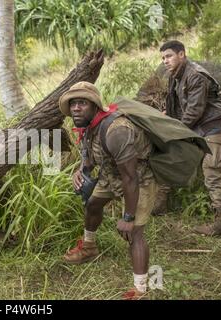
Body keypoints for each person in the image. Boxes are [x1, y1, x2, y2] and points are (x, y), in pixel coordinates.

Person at [59, 82, 157, 300]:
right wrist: (80, 171)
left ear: (95, 106)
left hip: (139, 180)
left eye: (82, 103)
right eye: (73, 103)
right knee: (93, 205)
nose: (75, 108)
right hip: (111, 176)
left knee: (134, 233)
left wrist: (128, 217)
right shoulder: (88, 127)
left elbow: (130, 177)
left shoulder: (117, 130)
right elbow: (89, 157)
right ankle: (89, 247)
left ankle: (140, 289)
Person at [155, 40, 221, 236]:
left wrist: (173, 129)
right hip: (196, 130)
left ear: (182, 54)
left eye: (169, 56)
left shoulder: (195, 75)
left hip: (212, 128)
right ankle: (160, 204)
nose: (165, 61)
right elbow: (179, 108)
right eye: (163, 58)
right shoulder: (176, 77)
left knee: (212, 172)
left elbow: (194, 112)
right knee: (170, 159)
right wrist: (167, 117)